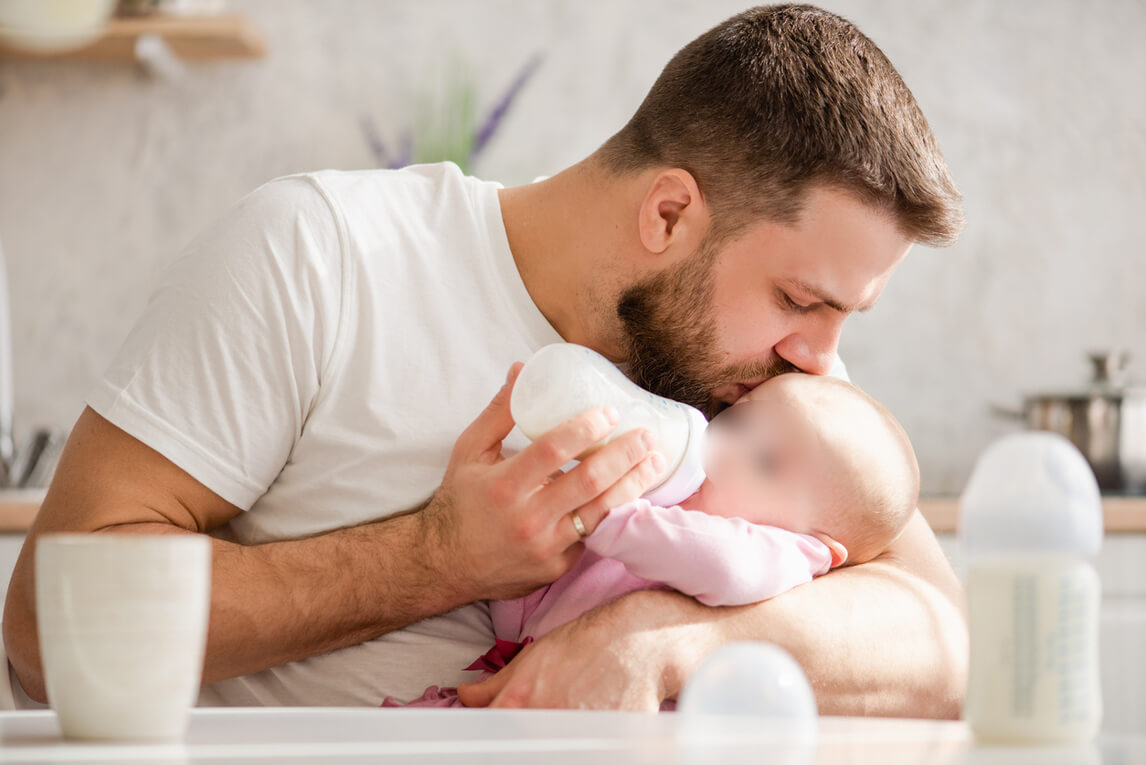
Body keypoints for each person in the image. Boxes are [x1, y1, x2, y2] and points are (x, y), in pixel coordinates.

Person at [3, 3, 967, 714]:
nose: (819, 358)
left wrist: (664, 640)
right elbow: (50, 629)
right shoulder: (322, 254)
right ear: (669, 212)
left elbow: (939, 638)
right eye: (801, 300)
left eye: (843, 317)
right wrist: (432, 560)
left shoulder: (768, 388)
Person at [384, 371, 920, 707]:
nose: (726, 446)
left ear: (820, 545)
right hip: (525, 688)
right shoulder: (662, 509)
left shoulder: (780, 554)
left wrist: (605, 515)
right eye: (735, 420)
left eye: (767, 462)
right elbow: (526, 600)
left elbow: (721, 564)